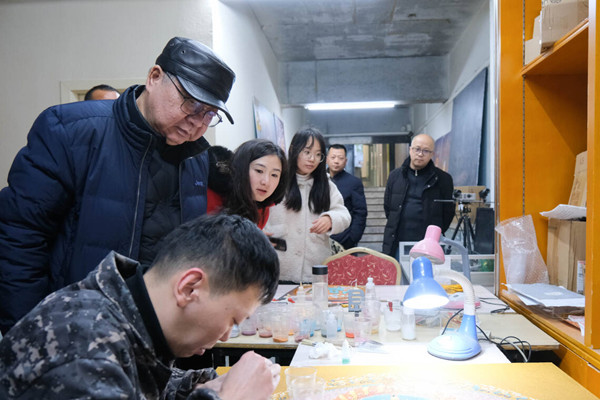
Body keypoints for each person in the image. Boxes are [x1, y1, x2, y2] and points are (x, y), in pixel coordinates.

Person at [0, 37, 237, 334]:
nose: (197, 122)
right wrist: (30, 334)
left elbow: (184, 254)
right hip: (71, 331)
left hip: (153, 336)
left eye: (209, 113)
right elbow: (19, 239)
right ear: (154, 77)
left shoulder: (196, 159)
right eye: (191, 103)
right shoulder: (69, 131)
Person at [0, 214, 281, 399]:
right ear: (189, 288)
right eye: (233, 320)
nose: (225, 337)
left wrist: (210, 386)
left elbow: (144, 384)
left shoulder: (127, 319)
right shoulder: (81, 349)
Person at [264, 128, 351, 283]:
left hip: (315, 268)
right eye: (307, 152)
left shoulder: (326, 184)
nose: (312, 159)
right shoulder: (278, 180)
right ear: (293, 150)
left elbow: (344, 214)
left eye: (318, 154)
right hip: (280, 267)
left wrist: (330, 219)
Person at [382, 133, 454, 258]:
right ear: (410, 150)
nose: (420, 154)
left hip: (429, 246)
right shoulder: (395, 176)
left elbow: (448, 212)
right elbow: (388, 208)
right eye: (417, 149)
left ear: (432, 154)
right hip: (397, 242)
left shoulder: (443, 179)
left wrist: (434, 234)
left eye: (426, 151)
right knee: (399, 271)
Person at [224, 139, 288, 229]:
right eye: (259, 171)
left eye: (274, 175)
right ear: (241, 168)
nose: (266, 182)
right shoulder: (214, 198)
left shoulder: (263, 208)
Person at [326, 144, 368, 249]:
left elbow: (360, 213)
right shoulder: (318, 180)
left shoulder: (354, 183)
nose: (336, 161)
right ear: (327, 159)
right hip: (321, 239)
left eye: (340, 158)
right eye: (333, 157)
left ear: (346, 161)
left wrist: (352, 238)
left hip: (345, 240)